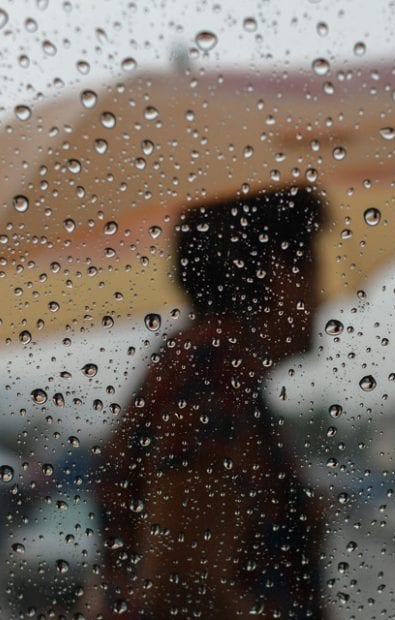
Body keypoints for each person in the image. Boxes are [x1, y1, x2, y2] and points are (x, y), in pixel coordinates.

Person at [92, 186, 327, 618]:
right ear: (273, 270)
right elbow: (181, 587)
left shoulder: (212, 368)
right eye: (311, 271)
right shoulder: (211, 370)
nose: (321, 297)